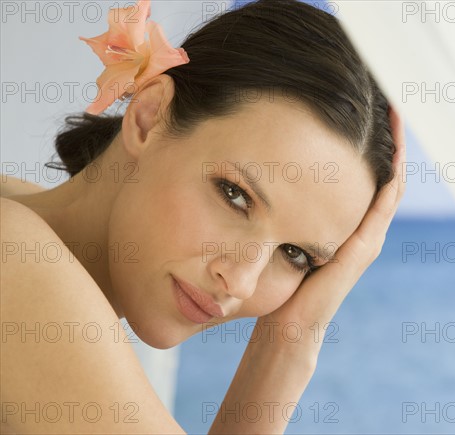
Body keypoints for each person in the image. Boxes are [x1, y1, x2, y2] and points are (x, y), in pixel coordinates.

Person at [0, 0, 406, 433]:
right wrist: (291, 345)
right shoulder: (14, 255)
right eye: (235, 196)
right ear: (147, 117)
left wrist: (293, 329)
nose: (242, 281)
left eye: (295, 254)